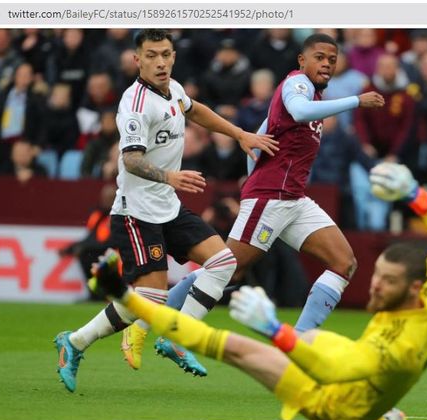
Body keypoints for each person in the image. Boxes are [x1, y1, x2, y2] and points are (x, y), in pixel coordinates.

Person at [89, 161, 427, 420]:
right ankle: (386, 417)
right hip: (348, 365)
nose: (374, 286)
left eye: (387, 282)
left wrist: (274, 330)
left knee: (230, 348)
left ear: (413, 289)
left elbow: (331, 373)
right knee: (241, 338)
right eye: (378, 275)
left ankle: (378, 418)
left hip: (333, 404)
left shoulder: (400, 349)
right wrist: (414, 195)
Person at [142, 33, 385, 373]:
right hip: (272, 198)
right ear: (302, 61)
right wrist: (356, 101)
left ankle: (299, 345)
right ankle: (162, 319)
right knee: (227, 268)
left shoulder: (311, 95)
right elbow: (298, 111)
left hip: (294, 200)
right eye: (319, 57)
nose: (327, 63)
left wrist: (250, 175)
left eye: (332, 58)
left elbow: (258, 137)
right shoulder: (296, 85)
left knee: (343, 262)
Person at [53, 29, 278, 393]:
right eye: (152, 55)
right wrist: (169, 176)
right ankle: (75, 342)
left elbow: (196, 109)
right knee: (151, 299)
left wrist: (239, 134)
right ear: (136, 59)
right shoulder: (136, 104)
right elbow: (130, 160)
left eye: (166, 54)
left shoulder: (172, 89)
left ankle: (177, 338)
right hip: (136, 212)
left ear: (174, 56)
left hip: (168, 207)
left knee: (223, 262)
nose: (161, 62)